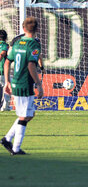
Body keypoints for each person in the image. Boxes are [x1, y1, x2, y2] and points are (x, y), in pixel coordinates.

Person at [1, 17, 42, 155]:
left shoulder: (17, 43)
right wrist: (39, 84)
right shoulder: (34, 45)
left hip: (16, 82)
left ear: (23, 28)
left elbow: (7, 62)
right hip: (25, 84)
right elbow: (31, 65)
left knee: (30, 114)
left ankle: (7, 139)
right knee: (24, 117)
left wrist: (7, 81)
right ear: (36, 29)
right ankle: (16, 149)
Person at [0, 30, 9, 111]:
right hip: (2, 71)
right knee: (7, 87)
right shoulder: (4, 45)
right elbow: (2, 54)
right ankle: (5, 106)